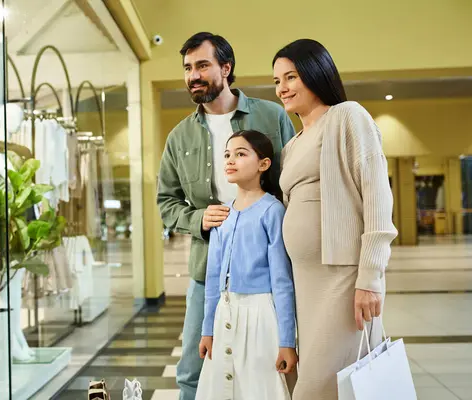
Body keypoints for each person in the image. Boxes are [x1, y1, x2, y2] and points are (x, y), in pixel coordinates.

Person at [157, 32, 296, 400]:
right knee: (194, 367)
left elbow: (294, 185)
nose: (193, 75)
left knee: (268, 369)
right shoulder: (179, 137)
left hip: (269, 273)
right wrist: (198, 219)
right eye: (188, 68)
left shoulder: (272, 115)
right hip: (209, 268)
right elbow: (166, 203)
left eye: (202, 65)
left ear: (226, 68)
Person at [273, 39, 398, 399]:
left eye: (291, 76)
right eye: (277, 80)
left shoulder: (346, 116)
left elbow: (377, 196)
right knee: (331, 386)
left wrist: (370, 277)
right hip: (306, 284)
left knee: (317, 388)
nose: (282, 87)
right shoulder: (293, 143)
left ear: (316, 73)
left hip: (342, 279)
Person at [196, 130, 297, 400]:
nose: (231, 160)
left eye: (241, 154)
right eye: (227, 154)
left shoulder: (272, 211)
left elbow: (282, 281)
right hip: (224, 313)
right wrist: (207, 330)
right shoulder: (222, 213)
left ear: (263, 164)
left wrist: (287, 341)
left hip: (261, 316)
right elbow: (212, 278)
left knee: (257, 387)